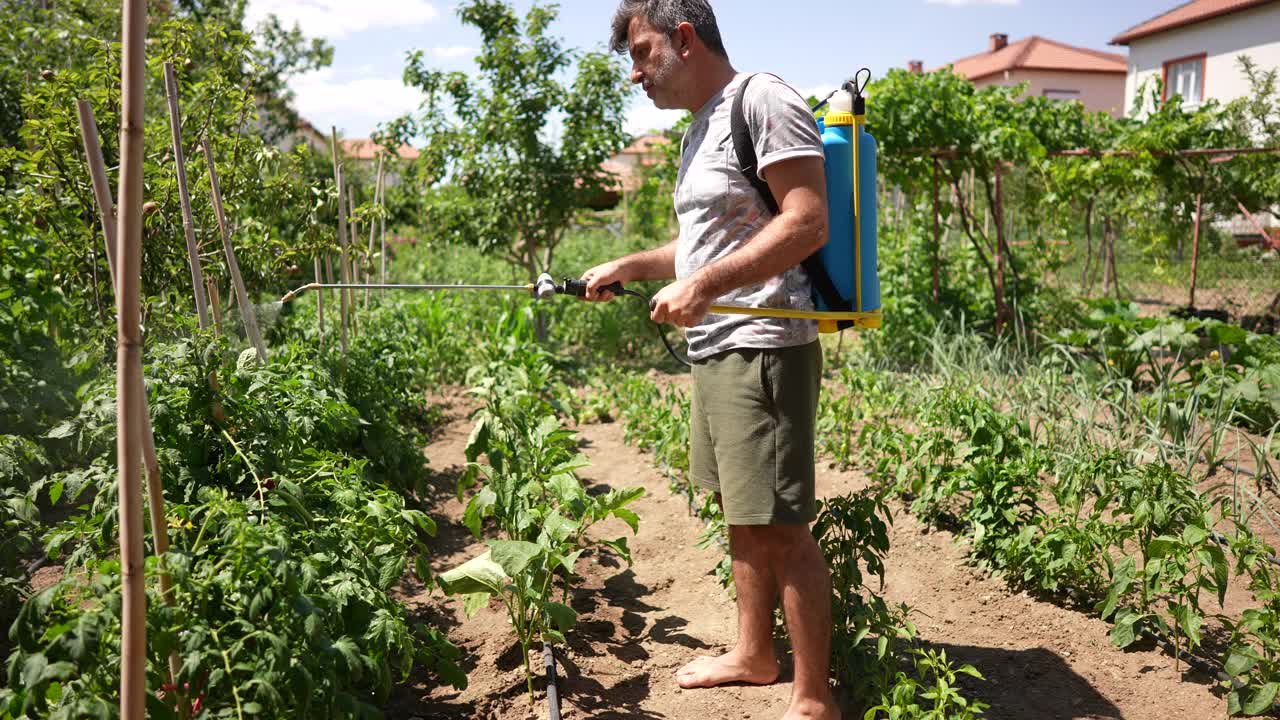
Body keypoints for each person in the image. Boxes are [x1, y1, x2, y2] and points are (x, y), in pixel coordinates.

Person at [582, 2, 839, 718]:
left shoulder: (763, 98)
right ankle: (755, 654)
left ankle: (813, 698)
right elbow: (701, 247)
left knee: (783, 524)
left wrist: (704, 285)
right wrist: (633, 266)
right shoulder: (703, 126)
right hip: (719, 347)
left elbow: (806, 219)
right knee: (740, 509)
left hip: (764, 342)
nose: (635, 74)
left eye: (641, 53)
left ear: (684, 38)